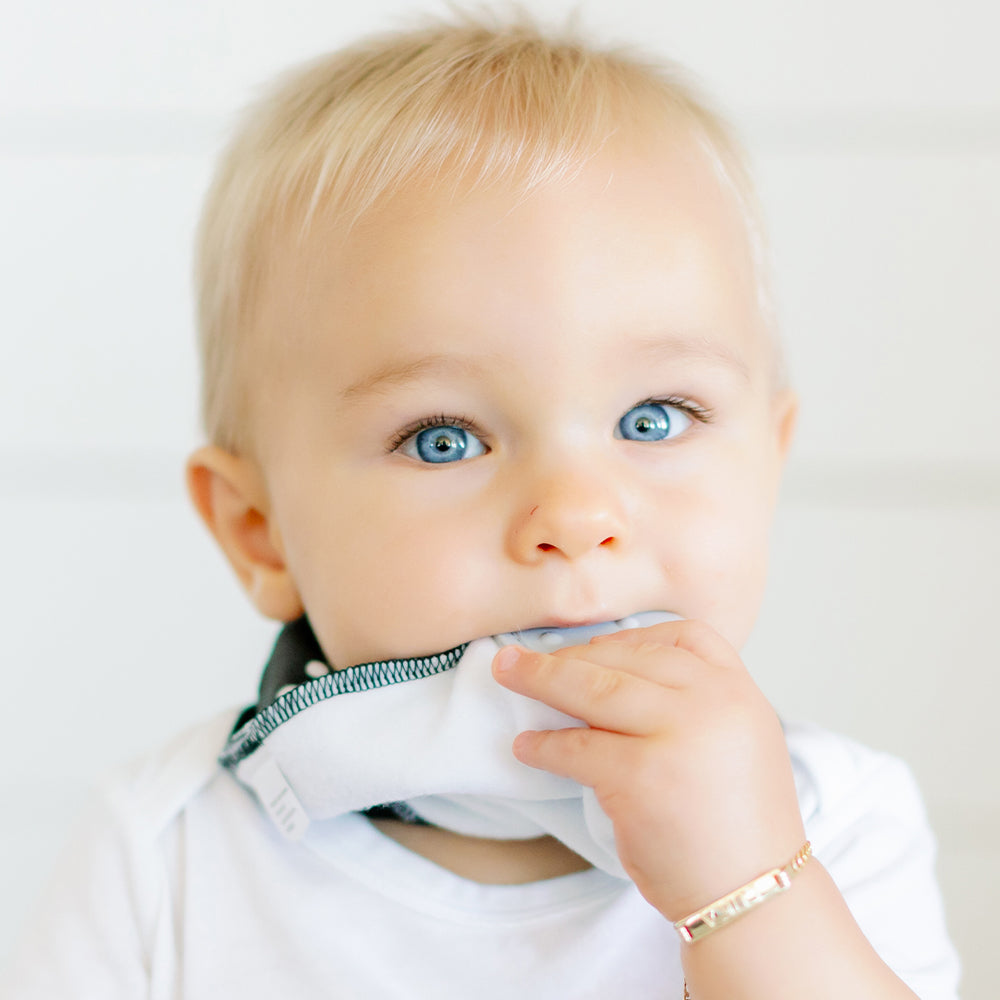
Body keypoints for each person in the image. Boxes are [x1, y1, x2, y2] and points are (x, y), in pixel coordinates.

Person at [2, 12, 960, 999]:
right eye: (443, 439)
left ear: (768, 462)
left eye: (653, 419)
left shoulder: (834, 824)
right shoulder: (167, 855)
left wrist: (750, 890)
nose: (577, 513)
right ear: (261, 531)